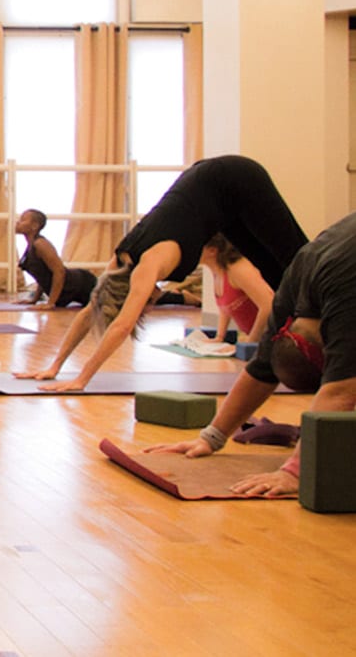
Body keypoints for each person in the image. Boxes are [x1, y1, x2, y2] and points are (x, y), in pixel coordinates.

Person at [15, 155, 307, 391]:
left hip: (235, 177)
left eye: (146, 304)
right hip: (216, 195)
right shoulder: (117, 262)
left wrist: (81, 379)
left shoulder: (145, 267)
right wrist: (54, 367)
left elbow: (120, 327)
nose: (152, 304)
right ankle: (314, 345)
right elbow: (90, 311)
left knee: (298, 260)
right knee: (279, 276)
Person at [144, 212, 356, 497]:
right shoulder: (296, 288)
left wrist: (295, 472)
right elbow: (260, 368)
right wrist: (212, 437)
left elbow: (340, 392)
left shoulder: (343, 296)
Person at [12, 209, 97, 309]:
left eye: (23, 220)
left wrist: (50, 303)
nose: (18, 222)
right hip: (70, 288)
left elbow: (59, 271)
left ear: (34, 226)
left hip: (83, 284)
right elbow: (42, 275)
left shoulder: (41, 244)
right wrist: (34, 300)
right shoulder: (31, 245)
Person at [199, 233, 274, 343]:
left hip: (274, 338)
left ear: (212, 251)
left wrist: (251, 340)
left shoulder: (238, 269)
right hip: (258, 339)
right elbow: (225, 306)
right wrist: (220, 337)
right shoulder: (218, 271)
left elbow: (268, 304)